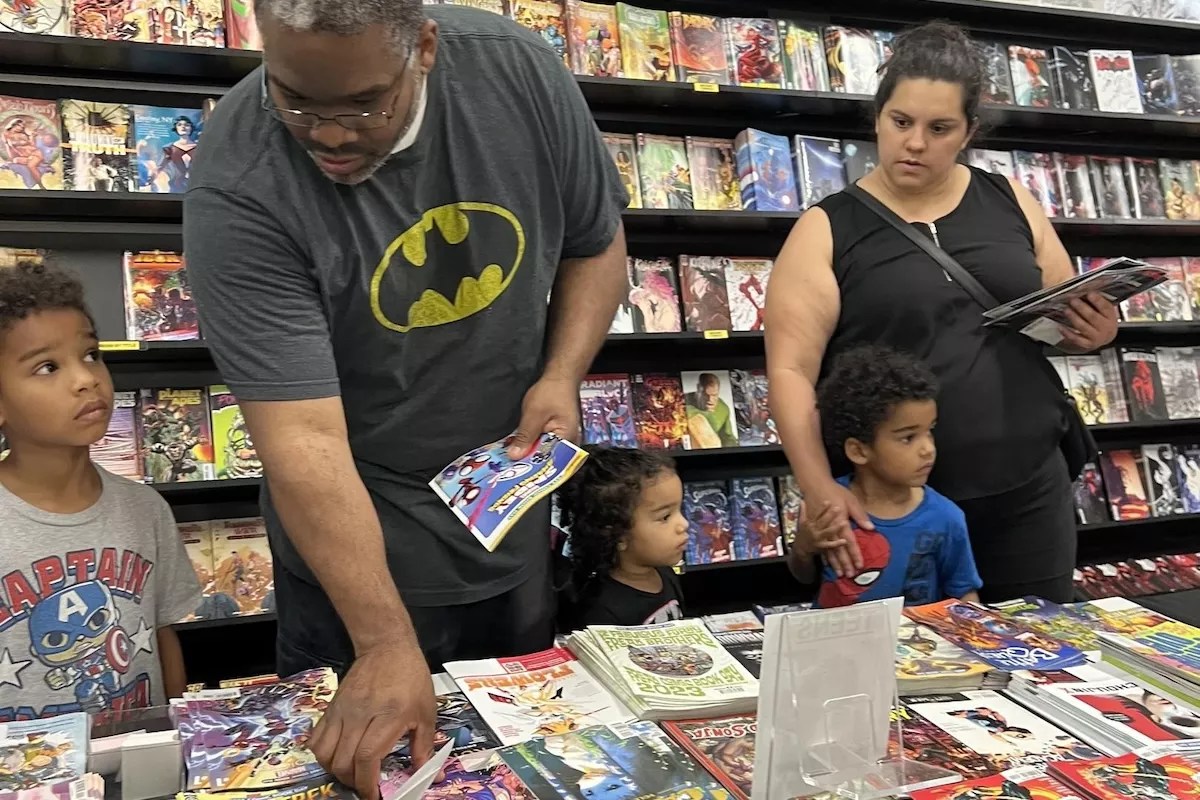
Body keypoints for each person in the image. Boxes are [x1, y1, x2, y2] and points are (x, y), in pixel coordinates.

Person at [182, 0, 628, 793]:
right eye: (295, 99)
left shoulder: (519, 73)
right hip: (351, 570)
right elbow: (303, 440)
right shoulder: (239, 179)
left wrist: (561, 373)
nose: (328, 134)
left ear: (423, 48)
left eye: (364, 104)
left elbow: (596, 244)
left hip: (507, 532)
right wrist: (385, 642)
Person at [765, 21, 1118, 607]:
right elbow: (790, 371)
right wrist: (818, 485)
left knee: (1038, 646)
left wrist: (1094, 331)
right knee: (911, 658)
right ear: (878, 117)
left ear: (968, 132)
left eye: (939, 128)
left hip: (1028, 485)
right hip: (898, 509)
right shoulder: (825, 228)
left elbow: (1061, 311)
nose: (915, 143)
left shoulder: (1009, 198)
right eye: (900, 121)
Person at [0, 259, 200, 721]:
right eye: (47, 367)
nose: (86, 378)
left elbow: (162, 633)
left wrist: (176, 734)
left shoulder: (145, 509)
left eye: (91, 354)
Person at [789, 345, 982, 608]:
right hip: (835, 633)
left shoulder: (946, 518)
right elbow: (803, 577)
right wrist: (804, 548)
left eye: (930, 431)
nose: (928, 449)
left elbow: (965, 594)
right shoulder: (829, 508)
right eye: (908, 438)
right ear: (859, 451)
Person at [556, 446, 688, 628]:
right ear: (618, 535)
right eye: (665, 517)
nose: (683, 524)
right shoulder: (600, 608)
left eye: (679, 510)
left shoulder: (666, 574)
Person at [684, 372, 737, 449]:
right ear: (698, 388)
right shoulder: (683, 400)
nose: (710, 400)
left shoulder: (723, 408)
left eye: (714, 395)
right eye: (706, 395)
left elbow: (728, 437)